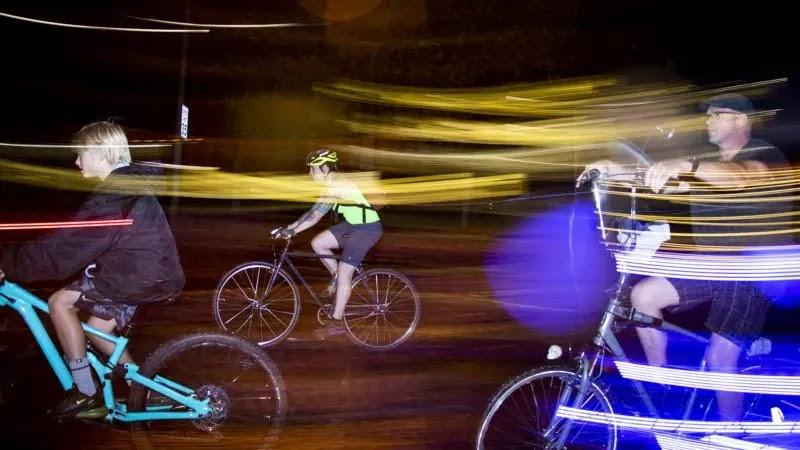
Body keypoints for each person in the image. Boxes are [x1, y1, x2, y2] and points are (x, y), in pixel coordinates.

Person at [580, 94, 790, 420]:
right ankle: (665, 384)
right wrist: (616, 170)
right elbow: (660, 183)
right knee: (643, 295)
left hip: (750, 273)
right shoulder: (706, 167)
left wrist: (688, 164)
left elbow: (740, 177)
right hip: (710, 268)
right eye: (707, 114)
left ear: (741, 121)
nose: (708, 119)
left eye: (718, 114)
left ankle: (730, 433)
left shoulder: (764, 154)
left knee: (720, 357)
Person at [0, 121, 185, 417]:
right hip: (144, 272)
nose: (76, 161)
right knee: (98, 329)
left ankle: (86, 391)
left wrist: (8, 263)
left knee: (59, 303)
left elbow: (65, 249)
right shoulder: (123, 185)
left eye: (81, 154)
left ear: (99, 153)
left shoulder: (114, 195)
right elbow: (73, 238)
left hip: (136, 276)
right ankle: (142, 391)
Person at [277, 149, 383, 339]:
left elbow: (316, 216)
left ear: (325, 168)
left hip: (367, 229)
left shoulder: (338, 185)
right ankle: (336, 276)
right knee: (318, 243)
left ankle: (336, 322)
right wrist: (288, 227)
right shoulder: (331, 183)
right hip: (353, 225)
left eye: (313, 169)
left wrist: (291, 231)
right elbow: (312, 211)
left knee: (345, 272)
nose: (310, 173)